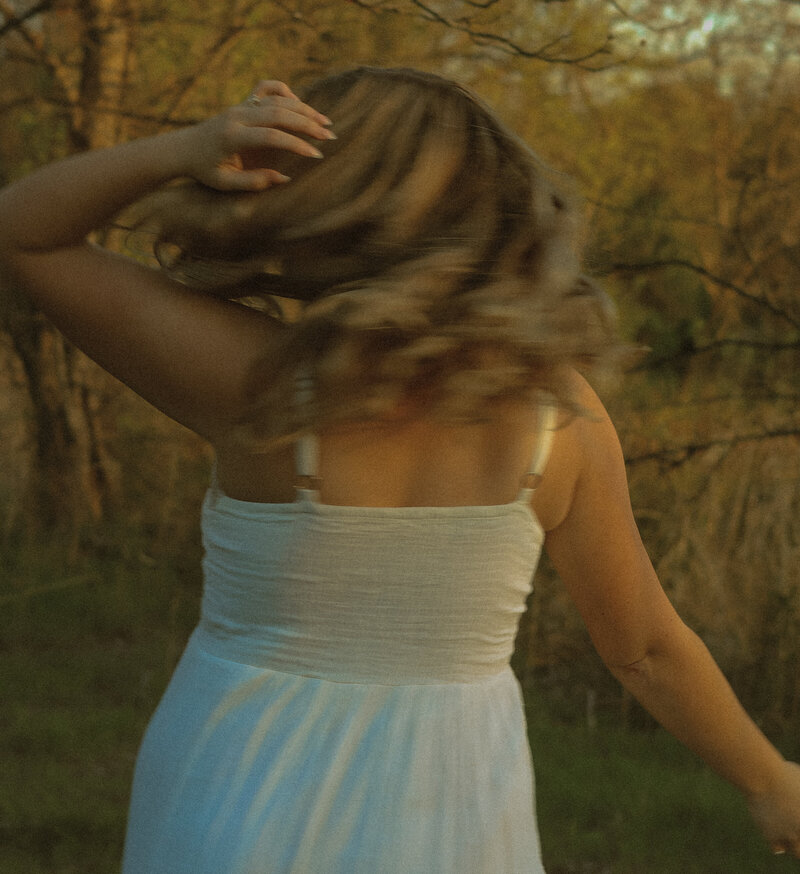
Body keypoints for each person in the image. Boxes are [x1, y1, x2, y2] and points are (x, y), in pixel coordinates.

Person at [0, 67, 798, 873]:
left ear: (325, 207)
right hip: (453, 807)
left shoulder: (258, 384)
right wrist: (770, 783)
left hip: (240, 783)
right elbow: (646, 652)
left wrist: (186, 148)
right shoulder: (561, 422)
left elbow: (25, 232)